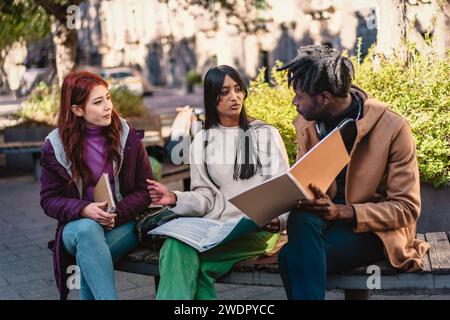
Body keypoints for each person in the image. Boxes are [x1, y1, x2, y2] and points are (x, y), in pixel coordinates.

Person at [276, 45, 430, 300]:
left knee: (288, 257)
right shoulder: (308, 124)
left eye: (299, 96)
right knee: (300, 218)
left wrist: (343, 211)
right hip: (327, 221)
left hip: (378, 231)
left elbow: (407, 208)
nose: (294, 102)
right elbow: (310, 181)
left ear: (324, 98)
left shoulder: (392, 128)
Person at [147, 65, 289, 300]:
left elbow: (283, 188)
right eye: (224, 92)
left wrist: (277, 221)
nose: (234, 97)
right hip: (214, 230)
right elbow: (205, 197)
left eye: (237, 89)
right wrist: (174, 198)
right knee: (175, 245)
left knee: (192, 266)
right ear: (212, 99)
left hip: (255, 231)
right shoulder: (202, 140)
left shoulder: (265, 134)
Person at [40, 71, 153, 300]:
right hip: (76, 229)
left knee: (89, 259)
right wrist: (83, 209)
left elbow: (145, 190)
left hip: (121, 224)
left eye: (108, 98)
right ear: (77, 110)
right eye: (98, 102)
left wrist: (116, 214)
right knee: (88, 230)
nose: (107, 106)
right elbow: (49, 200)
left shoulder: (126, 136)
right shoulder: (55, 145)